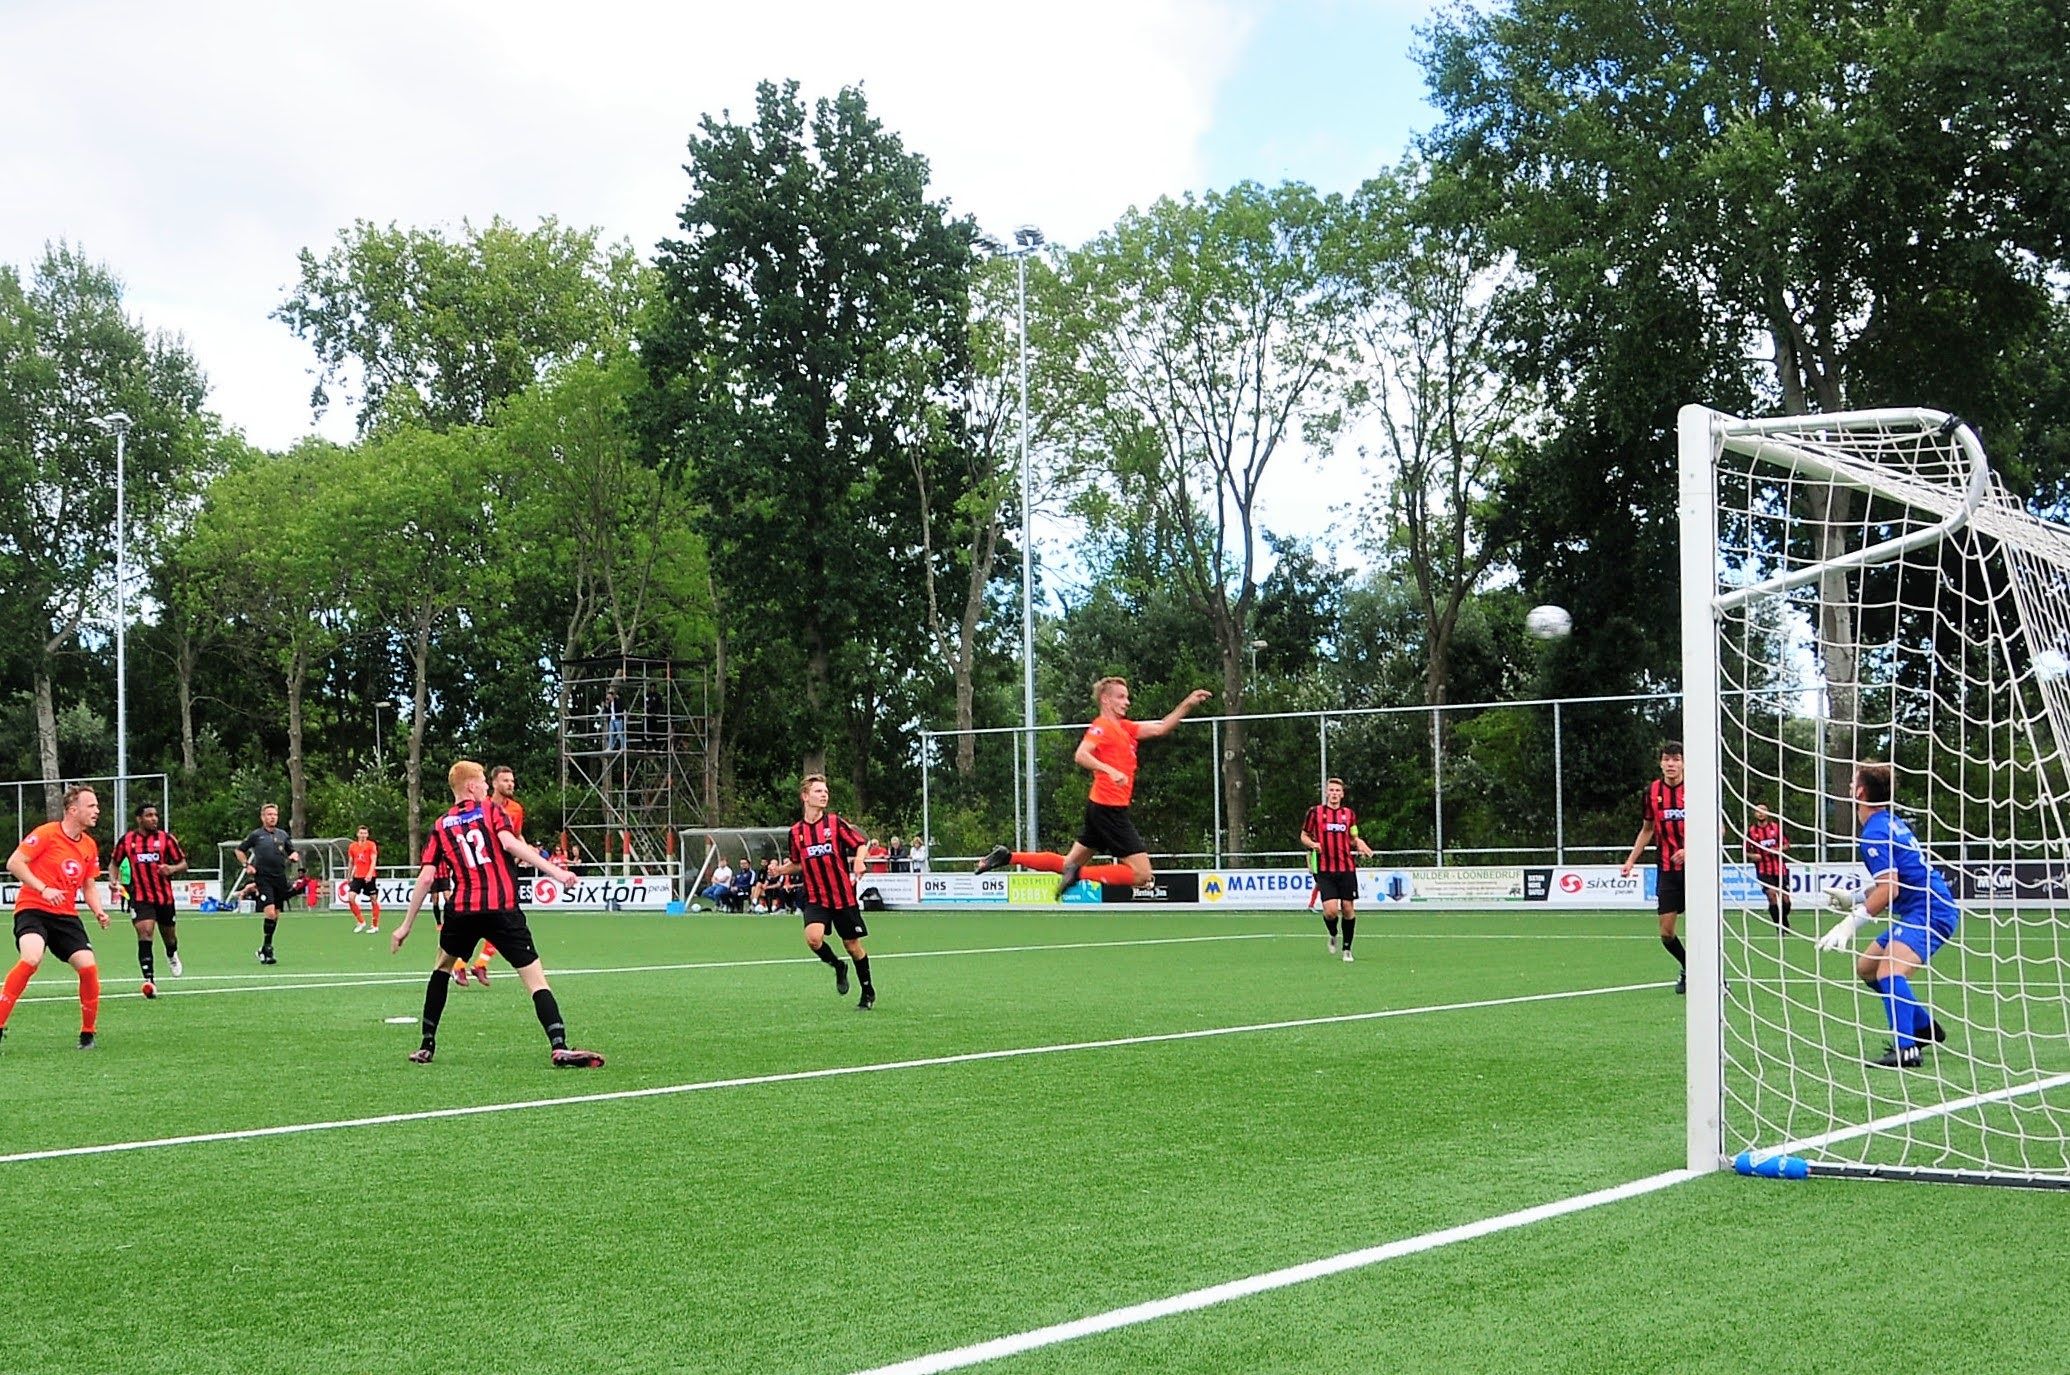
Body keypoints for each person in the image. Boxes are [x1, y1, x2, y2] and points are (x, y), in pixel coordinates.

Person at [389, 760, 604, 1068]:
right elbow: (511, 844)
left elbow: (425, 878)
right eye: (484, 784)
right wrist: (555, 871)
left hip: (462, 911)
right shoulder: (490, 811)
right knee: (535, 979)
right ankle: (558, 1045)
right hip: (502, 909)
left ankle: (426, 1045)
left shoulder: (440, 825)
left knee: (441, 969)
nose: (488, 789)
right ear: (471, 787)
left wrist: (405, 926)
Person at [977, 678, 1213, 894]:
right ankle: (1079, 874)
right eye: (1121, 696)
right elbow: (1081, 755)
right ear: (1105, 699)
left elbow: (1162, 727)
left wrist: (1188, 703)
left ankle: (1007, 857)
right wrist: (1110, 770)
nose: (1127, 702)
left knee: (1067, 863)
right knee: (1142, 875)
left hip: (1099, 808)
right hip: (1109, 810)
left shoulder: (1126, 728)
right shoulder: (1101, 726)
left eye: (1127, 697)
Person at [1818, 762, 1958, 1069]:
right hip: (1922, 909)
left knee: (1888, 973)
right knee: (1867, 968)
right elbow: (1893, 881)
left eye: (1853, 780)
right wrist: (1854, 897)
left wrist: (1849, 924)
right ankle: (1924, 1028)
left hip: (1931, 912)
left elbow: (1890, 889)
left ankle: (1907, 1049)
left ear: (1860, 791)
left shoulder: (1875, 832)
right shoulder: (1887, 822)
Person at [1, 785, 112, 1049]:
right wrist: (43, 888)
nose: (97, 811)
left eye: (97, 806)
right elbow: (14, 863)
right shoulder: (46, 834)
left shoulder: (89, 845)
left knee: (88, 967)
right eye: (91, 806)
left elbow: (88, 885)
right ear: (73, 810)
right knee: (31, 958)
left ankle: (87, 1034)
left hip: (65, 915)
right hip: (33, 908)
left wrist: (98, 910)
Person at [765, 775, 877, 1010]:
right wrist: (779, 871)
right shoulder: (796, 832)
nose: (824, 795)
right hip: (816, 896)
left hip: (842, 896)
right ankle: (838, 966)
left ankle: (867, 991)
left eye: (825, 791)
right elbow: (798, 862)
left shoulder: (835, 823)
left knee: (852, 946)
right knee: (813, 939)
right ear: (805, 796)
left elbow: (861, 843)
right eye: (818, 791)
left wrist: (859, 861)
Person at [1621, 742, 1690, 993]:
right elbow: (1647, 829)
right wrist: (1631, 860)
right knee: (1666, 932)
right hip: (1667, 870)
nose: (1671, 764)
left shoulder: (1696, 789)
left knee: (1704, 927)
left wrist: (1691, 850)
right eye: (1667, 759)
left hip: (1697, 872)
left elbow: (1718, 829)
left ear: (1683, 763)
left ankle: (1716, 977)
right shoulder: (1652, 792)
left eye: (1676, 759)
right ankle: (1688, 966)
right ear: (1661, 763)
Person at [109, 802, 189, 994]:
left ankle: (171, 953)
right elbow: (114, 862)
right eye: (149, 815)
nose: (154, 819)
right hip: (140, 897)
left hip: (164, 898)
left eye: (155, 815)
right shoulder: (127, 840)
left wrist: (171, 869)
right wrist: (113, 879)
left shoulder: (166, 839)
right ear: (139, 819)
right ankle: (149, 980)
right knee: (145, 932)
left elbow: (183, 863)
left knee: (169, 937)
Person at [1303, 777, 1377, 963]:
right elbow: (1304, 835)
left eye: (1338, 791)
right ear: (1327, 792)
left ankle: (1347, 949)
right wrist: (1313, 844)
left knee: (1348, 908)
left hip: (1346, 868)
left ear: (1342, 794)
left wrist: (1359, 842)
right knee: (1330, 911)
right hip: (1325, 869)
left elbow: (1353, 837)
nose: (1334, 793)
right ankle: (1333, 933)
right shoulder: (1315, 813)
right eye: (1332, 790)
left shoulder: (1349, 814)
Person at [236, 803, 300, 966]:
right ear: (263, 817)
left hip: (280, 879)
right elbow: (239, 850)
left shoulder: (283, 835)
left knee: (276, 914)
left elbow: (291, 850)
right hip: (263, 879)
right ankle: (268, 948)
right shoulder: (256, 835)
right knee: (270, 913)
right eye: (269, 814)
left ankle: (264, 948)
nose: (272, 817)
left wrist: (293, 855)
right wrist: (246, 865)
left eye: (275, 815)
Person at [1744, 804, 1791, 930]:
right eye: (1758, 811)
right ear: (1755, 814)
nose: (1760, 813)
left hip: (1780, 868)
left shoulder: (1776, 828)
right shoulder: (1751, 831)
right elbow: (1745, 851)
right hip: (1763, 870)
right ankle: (1779, 927)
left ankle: (1783, 919)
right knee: (1772, 896)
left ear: (1768, 813)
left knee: (1786, 900)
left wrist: (1778, 849)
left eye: (1763, 811)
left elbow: (1787, 845)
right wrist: (1753, 856)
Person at [346, 825, 381, 933]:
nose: (363, 835)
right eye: (361, 833)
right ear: (357, 834)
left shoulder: (371, 845)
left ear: (367, 834)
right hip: (357, 876)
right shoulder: (352, 846)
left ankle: (375, 925)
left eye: (365, 833)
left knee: (373, 899)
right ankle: (361, 921)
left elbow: (373, 860)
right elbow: (351, 861)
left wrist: (370, 874)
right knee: (351, 898)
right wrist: (349, 875)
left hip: (369, 876)